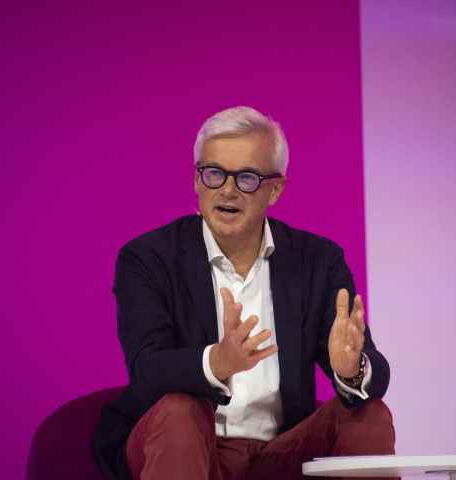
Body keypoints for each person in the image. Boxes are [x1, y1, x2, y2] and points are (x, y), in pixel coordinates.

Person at [93, 106, 395, 480]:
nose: (228, 190)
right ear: (197, 180)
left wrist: (351, 372)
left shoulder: (317, 260)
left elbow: (371, 365)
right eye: (215, 174)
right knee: (181, 412)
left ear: (275, 189)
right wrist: (218, 361)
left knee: (368, 414)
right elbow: (147, 370)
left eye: (247, 177)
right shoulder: (149, 257)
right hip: (183, 445)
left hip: (281, 454)